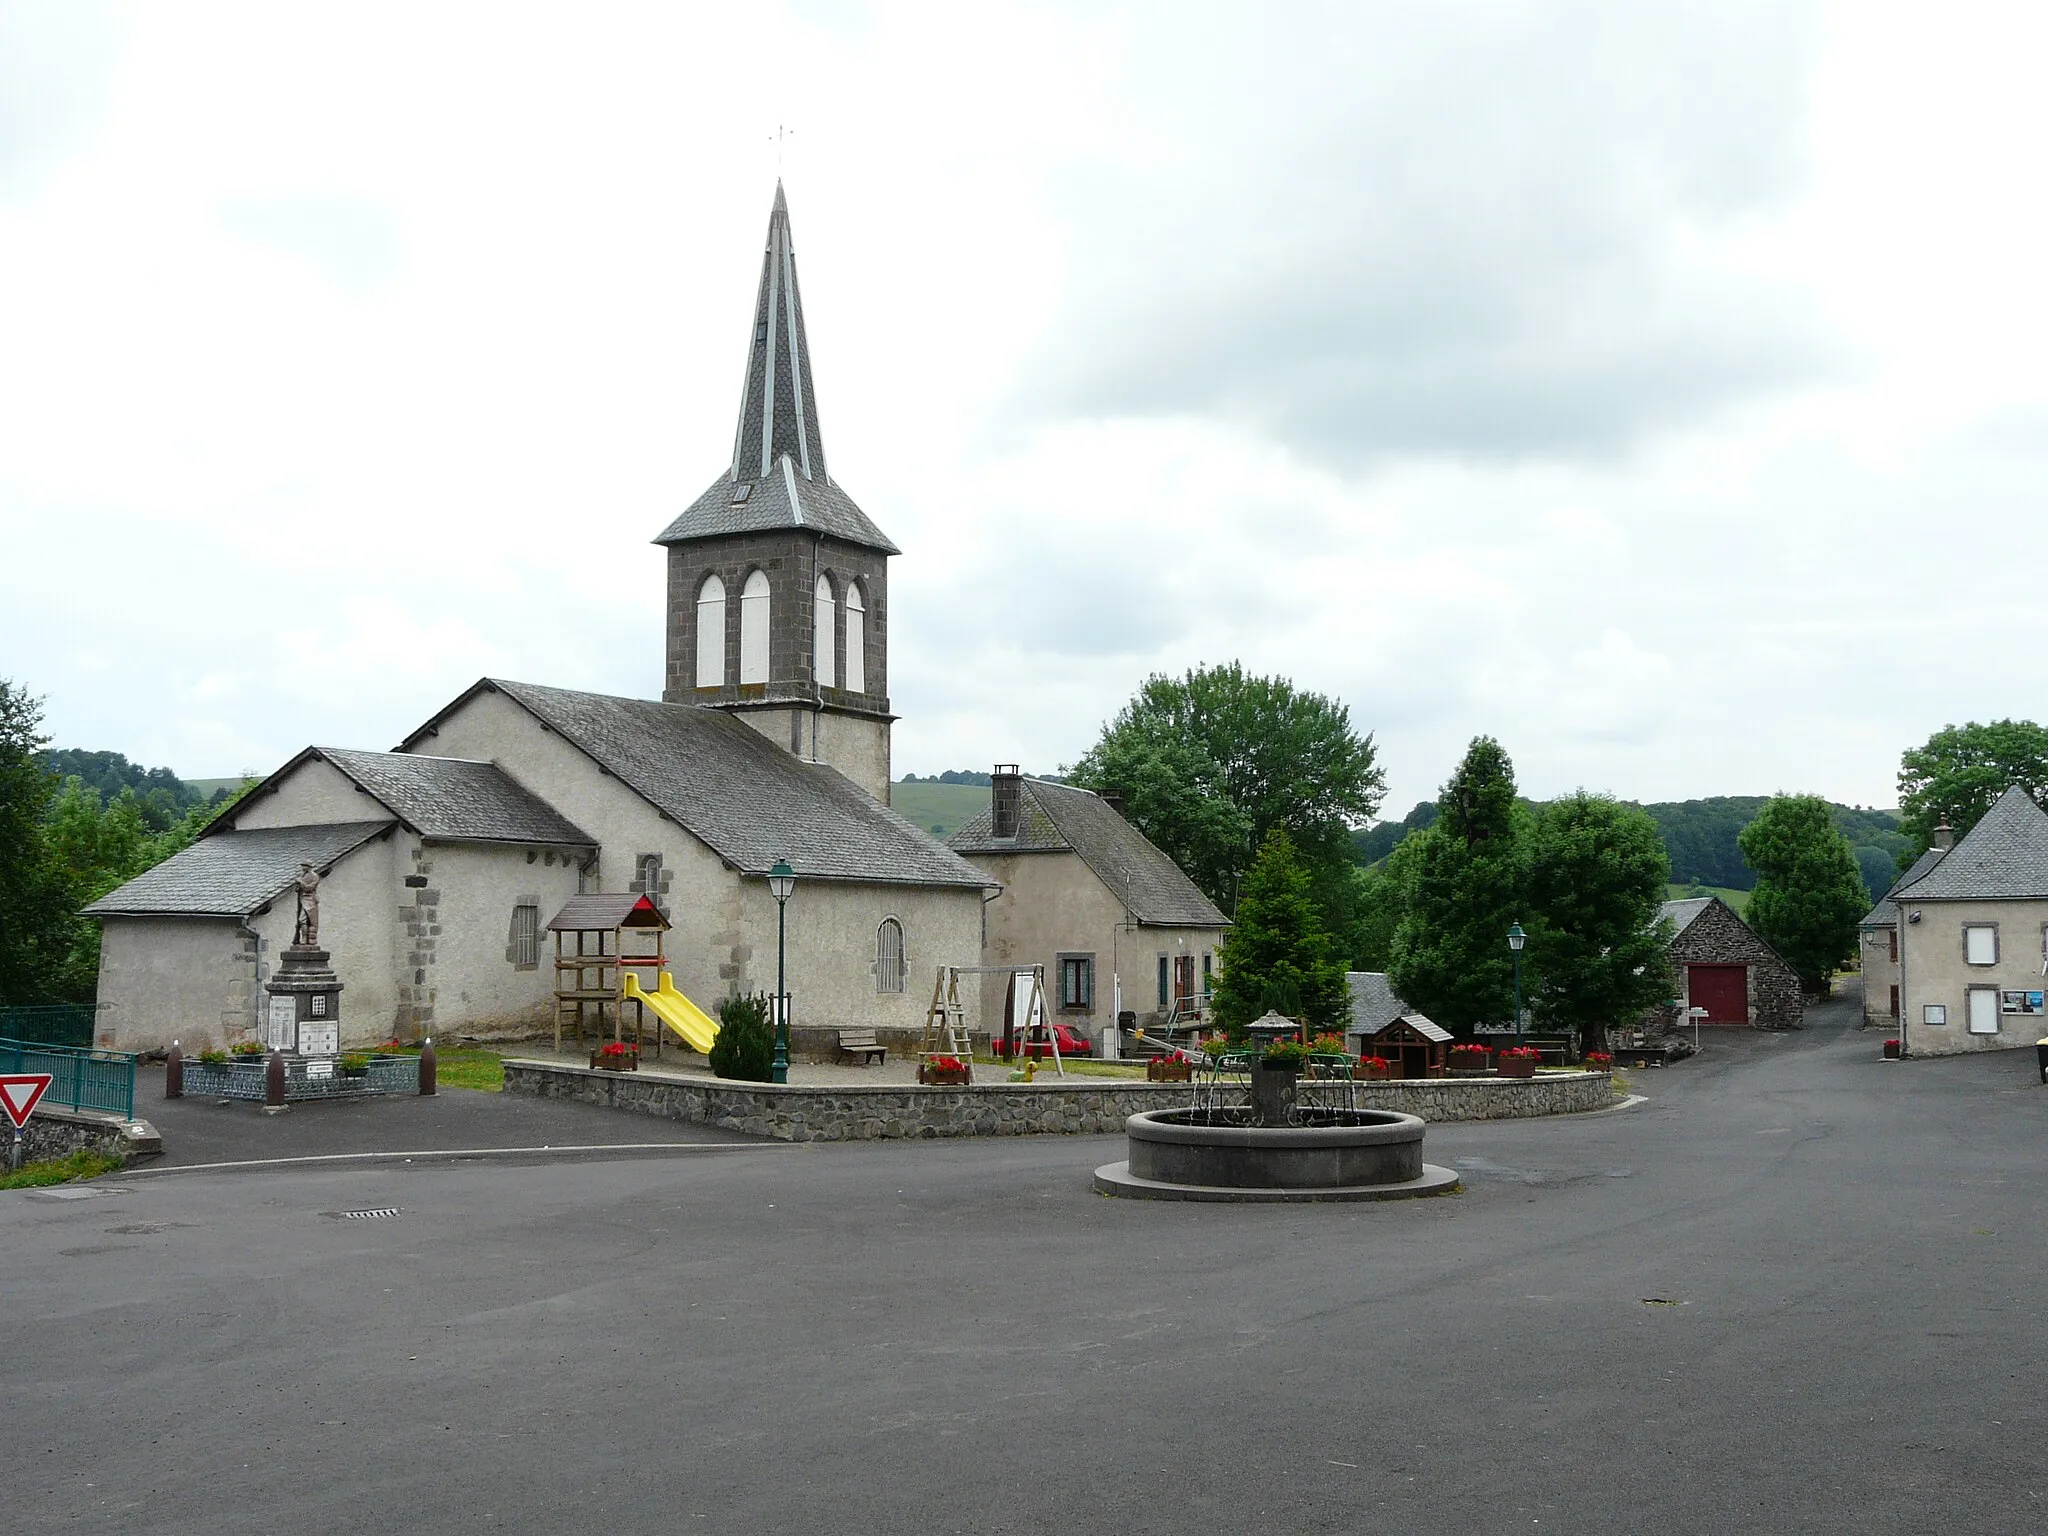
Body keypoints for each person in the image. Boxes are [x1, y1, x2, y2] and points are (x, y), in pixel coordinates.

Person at [293, 862, 321, 947]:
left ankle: (306, 939)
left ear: (309, 867)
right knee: (302, 920)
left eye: (304, 866)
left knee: (306, 920)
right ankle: (303, 938)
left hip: (310, 901)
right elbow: (297, 889)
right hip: (302, 900)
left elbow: (309, 888)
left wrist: (300, 882)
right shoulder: (303, 875)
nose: (303, 868)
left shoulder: (314, 876)